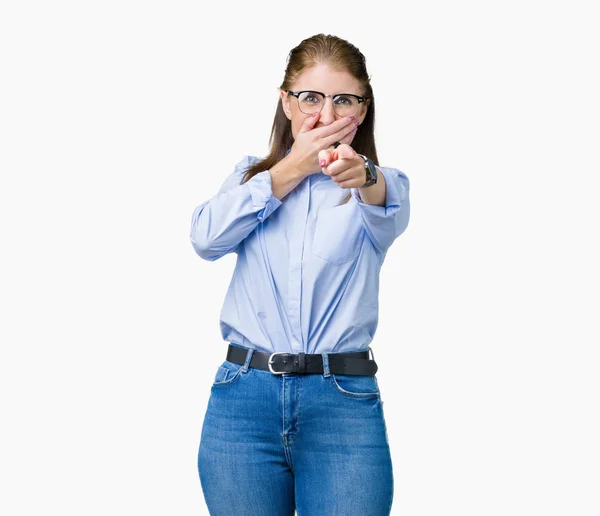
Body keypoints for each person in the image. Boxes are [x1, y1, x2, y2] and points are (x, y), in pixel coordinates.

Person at [190, 33, 410, 516]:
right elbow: (206, 239)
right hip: (242, 402)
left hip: (341, 405)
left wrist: (363, 175)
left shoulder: (379, 184)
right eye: (310, 98)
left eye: (343, 101)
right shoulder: (250, 179)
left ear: (363, 109)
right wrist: (289, 169)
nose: (326, 117)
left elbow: (382, 197)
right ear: (286, 103)